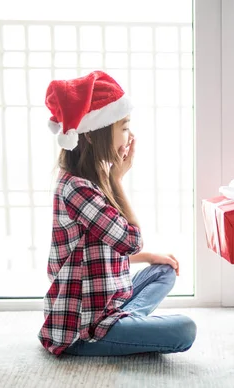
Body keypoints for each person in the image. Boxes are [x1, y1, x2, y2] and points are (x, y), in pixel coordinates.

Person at [38, 71, 196, 356]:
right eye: (123, 127)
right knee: (184, 330)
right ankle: (121, 329)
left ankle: (127, 323)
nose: (130, 136)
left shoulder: (88, 178)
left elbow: (97, 254)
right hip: (82, 328)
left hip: (106, 302)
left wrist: (149, 258)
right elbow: (131, 241)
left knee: (163, 271)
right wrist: (118, 181)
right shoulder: (77, 188)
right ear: (92, 134)